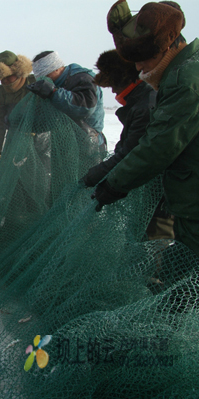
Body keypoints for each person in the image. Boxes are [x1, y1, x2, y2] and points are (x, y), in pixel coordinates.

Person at [94, 0, 199, 257]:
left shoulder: (184, 80)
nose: (139, 69)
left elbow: (159, 145)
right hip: (187, 199)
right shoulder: (184, 71)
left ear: (165, 48)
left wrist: (114, 184)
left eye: (142, 60)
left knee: (185, 276)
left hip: (193, 202)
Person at [83, 49, 174, 240]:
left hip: (163, 197)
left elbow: (131, 152)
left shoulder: (144, 105)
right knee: (140, 240)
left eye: (113, 85)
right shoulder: (138, 100)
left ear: (123, 78)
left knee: (150, 247)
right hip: (150, 194)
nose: (113, 91)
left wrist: (99, 176)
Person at [28, 50, 107, 155]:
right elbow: (47, 117)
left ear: (56, 68)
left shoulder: (83, 78)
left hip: (90, 145)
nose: (45, 79)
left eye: (46, 74)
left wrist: (53, 93)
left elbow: (85, 108)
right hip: (65, 146)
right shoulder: (54, 85)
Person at [0, 51, 35, 171]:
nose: (5, 81)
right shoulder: (0, 93)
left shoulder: (35, 84)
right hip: (15, 139)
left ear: (18, 72)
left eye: (8, 77)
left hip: (40, 141)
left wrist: (36, 128)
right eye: (1, 79)